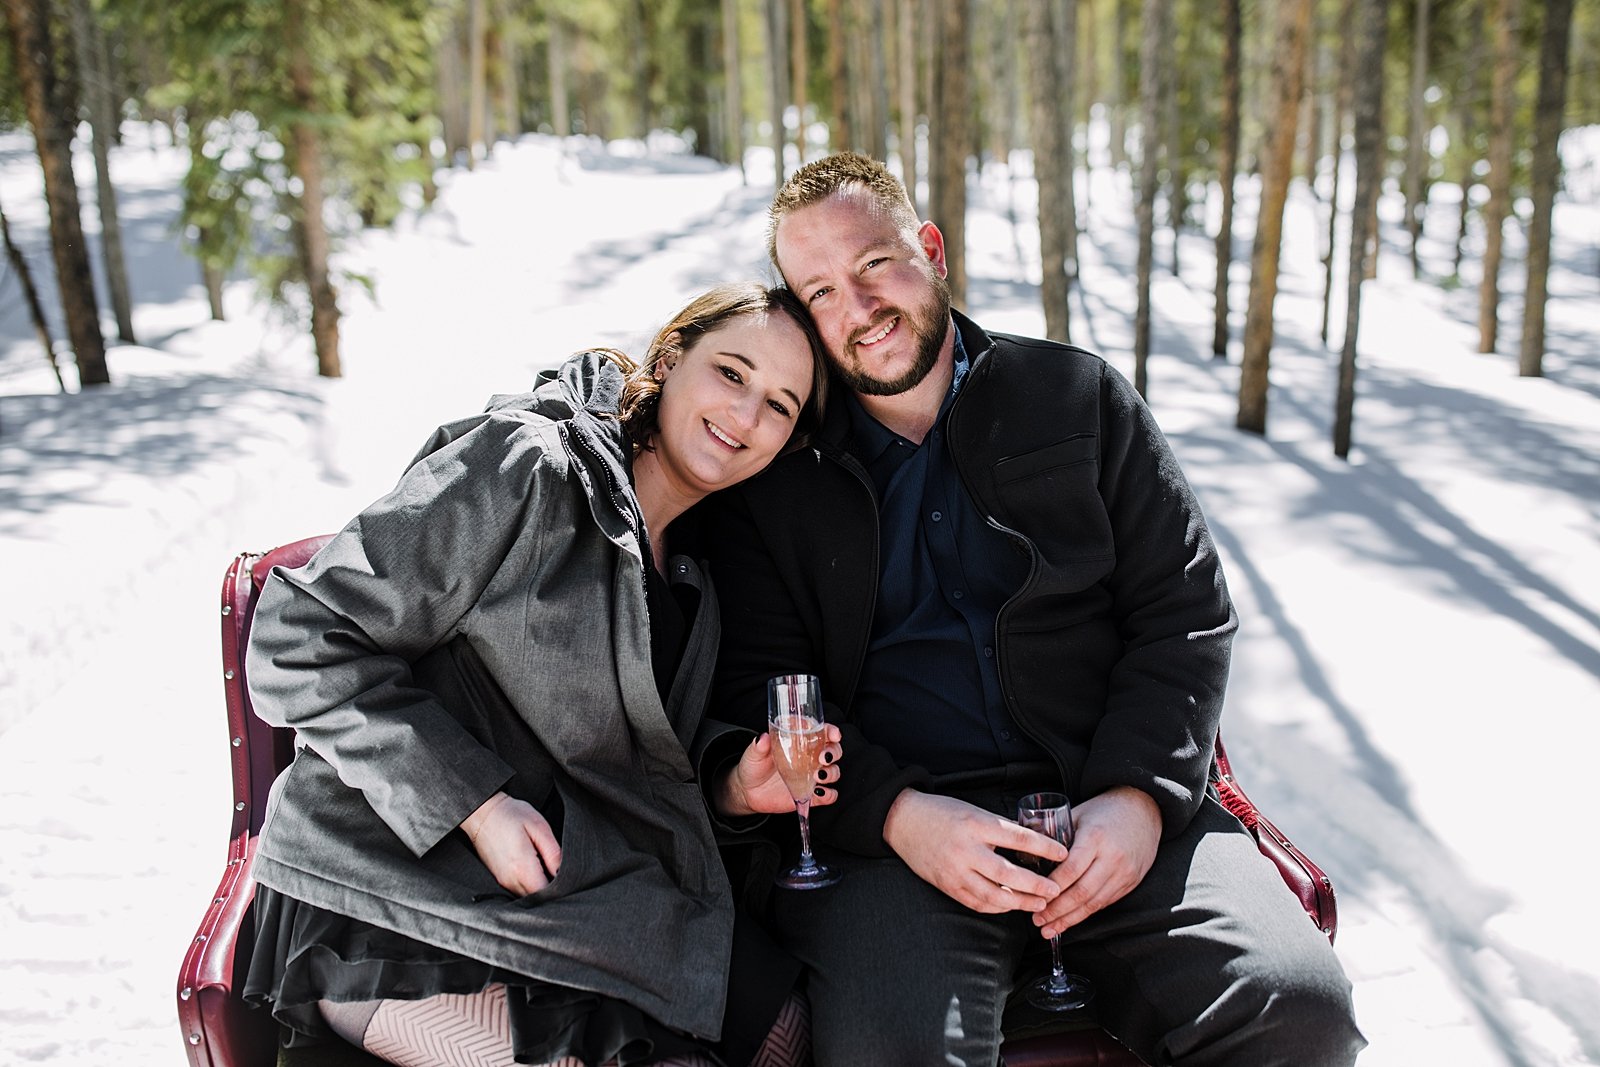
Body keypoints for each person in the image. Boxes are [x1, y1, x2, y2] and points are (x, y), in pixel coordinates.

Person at [696, 154, 1366, 1066]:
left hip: (1112, 810)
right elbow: (768, 692)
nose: (857, 308)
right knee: (895, 1050)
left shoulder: (1076, 397)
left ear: (929, 250)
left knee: (1298, 1006)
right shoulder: (780, 477)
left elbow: (1184, 614)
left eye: (873, 266)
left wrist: (1136, 798)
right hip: (902, 849)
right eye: (820, 293)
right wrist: (896, 813)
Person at [240, 283, 839, 1067]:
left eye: (779, 404)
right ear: (669, 359)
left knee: (790, 1030)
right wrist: (478, 805)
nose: (745, 415)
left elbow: (630, 779)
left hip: (565, 897)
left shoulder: (698, 579)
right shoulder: (527, 466)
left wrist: (733, 790)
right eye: (731, 373)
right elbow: (299, 635)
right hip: (387, 892)